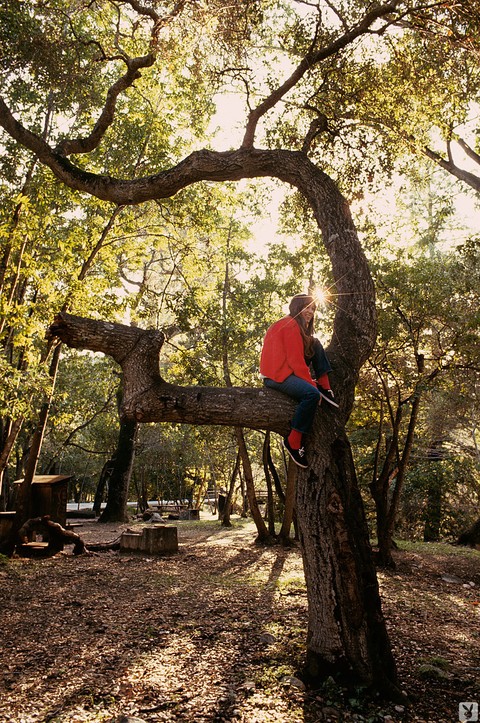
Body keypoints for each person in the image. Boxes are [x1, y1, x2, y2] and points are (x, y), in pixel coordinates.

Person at [259, 293, 338, 468]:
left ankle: (325, 387)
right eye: (306, 307)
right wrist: (311, 385)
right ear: (297, 308)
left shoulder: (295, 326)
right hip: (276, 376)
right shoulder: (290, 325)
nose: (310, 311)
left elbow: (298, 357)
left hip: (285, 372)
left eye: (313, 308)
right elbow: (295, 361)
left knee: (315, 343)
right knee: (310, 394)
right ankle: (293, 441)